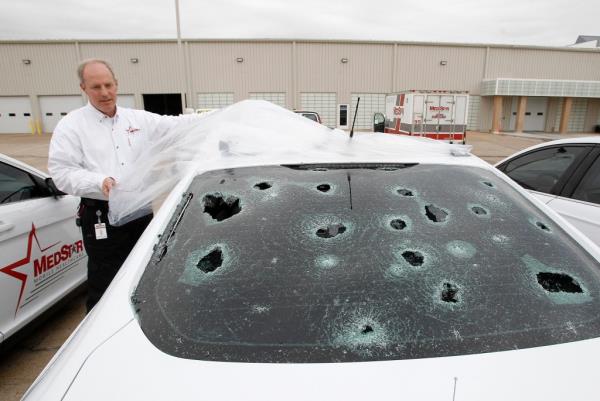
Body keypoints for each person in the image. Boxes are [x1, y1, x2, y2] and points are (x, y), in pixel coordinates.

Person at [48, 58, 193, 312]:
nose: (104, 93)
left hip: (139, 211)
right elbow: (61, 172)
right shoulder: (72, 125)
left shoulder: (137, 120)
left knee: (144, 274)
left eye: (108, 85)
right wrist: (98, 181)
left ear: (117, 84)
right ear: (83, 88)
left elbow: (178, 125)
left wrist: (229, 113)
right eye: (96, 87)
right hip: (101, 215)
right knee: (106, 281)